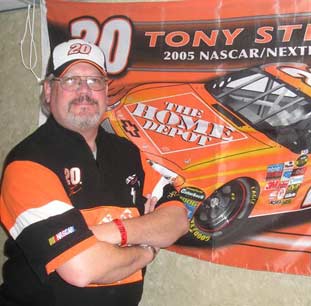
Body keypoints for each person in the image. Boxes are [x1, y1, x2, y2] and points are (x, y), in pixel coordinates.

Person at [0, 39, 189, 306]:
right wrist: (146, 250)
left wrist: (107, 233)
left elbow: (178, 219)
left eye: (94, 81)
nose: (84, 91)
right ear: (48, 91)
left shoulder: (127, 152)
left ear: (106, 91)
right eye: (71, 80)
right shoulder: (28, 163)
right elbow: (82, 268)